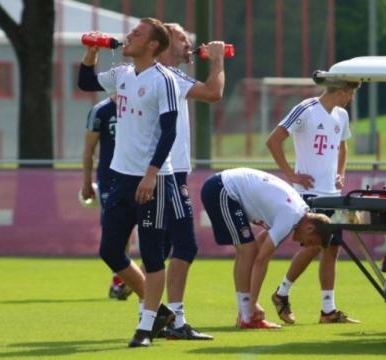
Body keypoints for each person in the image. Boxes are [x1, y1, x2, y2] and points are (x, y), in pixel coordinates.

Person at [78, 17, 180, 348]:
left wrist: (151, 173)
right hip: (120, 178)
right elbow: (85, 82)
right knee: (110, 251)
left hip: (151, 179)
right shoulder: (122, 74)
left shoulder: (163, 80)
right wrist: (92, 51)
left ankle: (146, 327)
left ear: (152, 45)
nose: (129, 36)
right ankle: (160, 312)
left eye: (137, 34)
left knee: (152, 255)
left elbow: (170, 131)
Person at [151, 22, 225, 340]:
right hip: (167, 172)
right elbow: (213, 93)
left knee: (162, 247)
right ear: (167, 42)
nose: (189, 44)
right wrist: (219, 60)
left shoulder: (158, 75)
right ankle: (175, 321)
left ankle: (153, 316)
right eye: (183, 38)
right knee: (185, 244)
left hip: (163, 171)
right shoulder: (169, 75)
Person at [265, 81, 360, 324]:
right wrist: (290, 174)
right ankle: (282, 292)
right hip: (310, 194)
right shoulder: (305, 109)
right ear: (341, 91)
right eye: (350, 93)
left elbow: (342, 147)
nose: (351, 98)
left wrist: (341, 173)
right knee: (313, 245)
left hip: (331, 193)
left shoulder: (341, 115)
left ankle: (328, 310)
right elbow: (274, 140)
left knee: (332, 249)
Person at [200, 167, 334, 329]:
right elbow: (261, 261)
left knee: (248, 251)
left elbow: (258, 246)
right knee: (247, 251)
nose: (305, 245)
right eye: (312, 241)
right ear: (310, 229)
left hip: (221, 186)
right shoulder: (290, 217)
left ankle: (245, 315)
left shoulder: (297, 212)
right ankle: (247, 315)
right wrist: (253, 302)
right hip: (222, 188)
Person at [81, 95, 134, 301]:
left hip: (138, 176)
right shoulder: (100, 110)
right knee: (117, 230)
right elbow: (89, 149)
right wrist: (86, 181)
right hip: (110, 180)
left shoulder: (141, 103)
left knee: (149, 230)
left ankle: (135, 279)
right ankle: (119, 280)